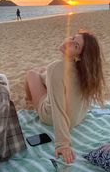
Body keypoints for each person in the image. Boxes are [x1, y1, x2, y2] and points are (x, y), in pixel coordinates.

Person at [25, 30, 105, 164]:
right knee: (45, 71)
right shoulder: (85, 70)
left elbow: (58, 108)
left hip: (52, 116)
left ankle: (29, 100)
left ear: (79, 56)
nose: (69, 42)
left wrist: (63, 144)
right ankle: (39, 85)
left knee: (31, 74)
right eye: (73, 38)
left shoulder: (56, 68)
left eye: (75, 45)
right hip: (77, 116)